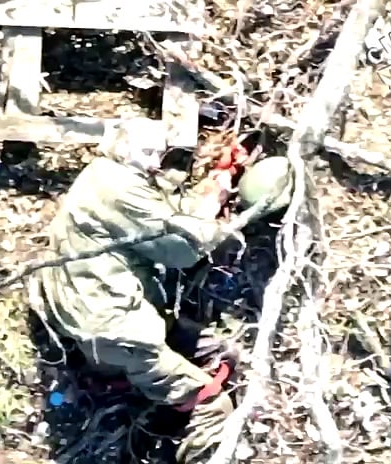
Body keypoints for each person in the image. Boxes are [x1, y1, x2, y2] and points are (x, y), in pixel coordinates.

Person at [28, 120, 293, 462]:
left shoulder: (108, 176)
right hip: (112, 326)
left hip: (101, 314)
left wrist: (215, 187)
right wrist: (220, 223)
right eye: (147, 152)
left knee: (220, 351)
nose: (155, 162)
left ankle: (160, 419)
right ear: (121, 146)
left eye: (158, 153)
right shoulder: (116, 188)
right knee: (213, 404)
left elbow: (165, 211)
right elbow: (180, 248)